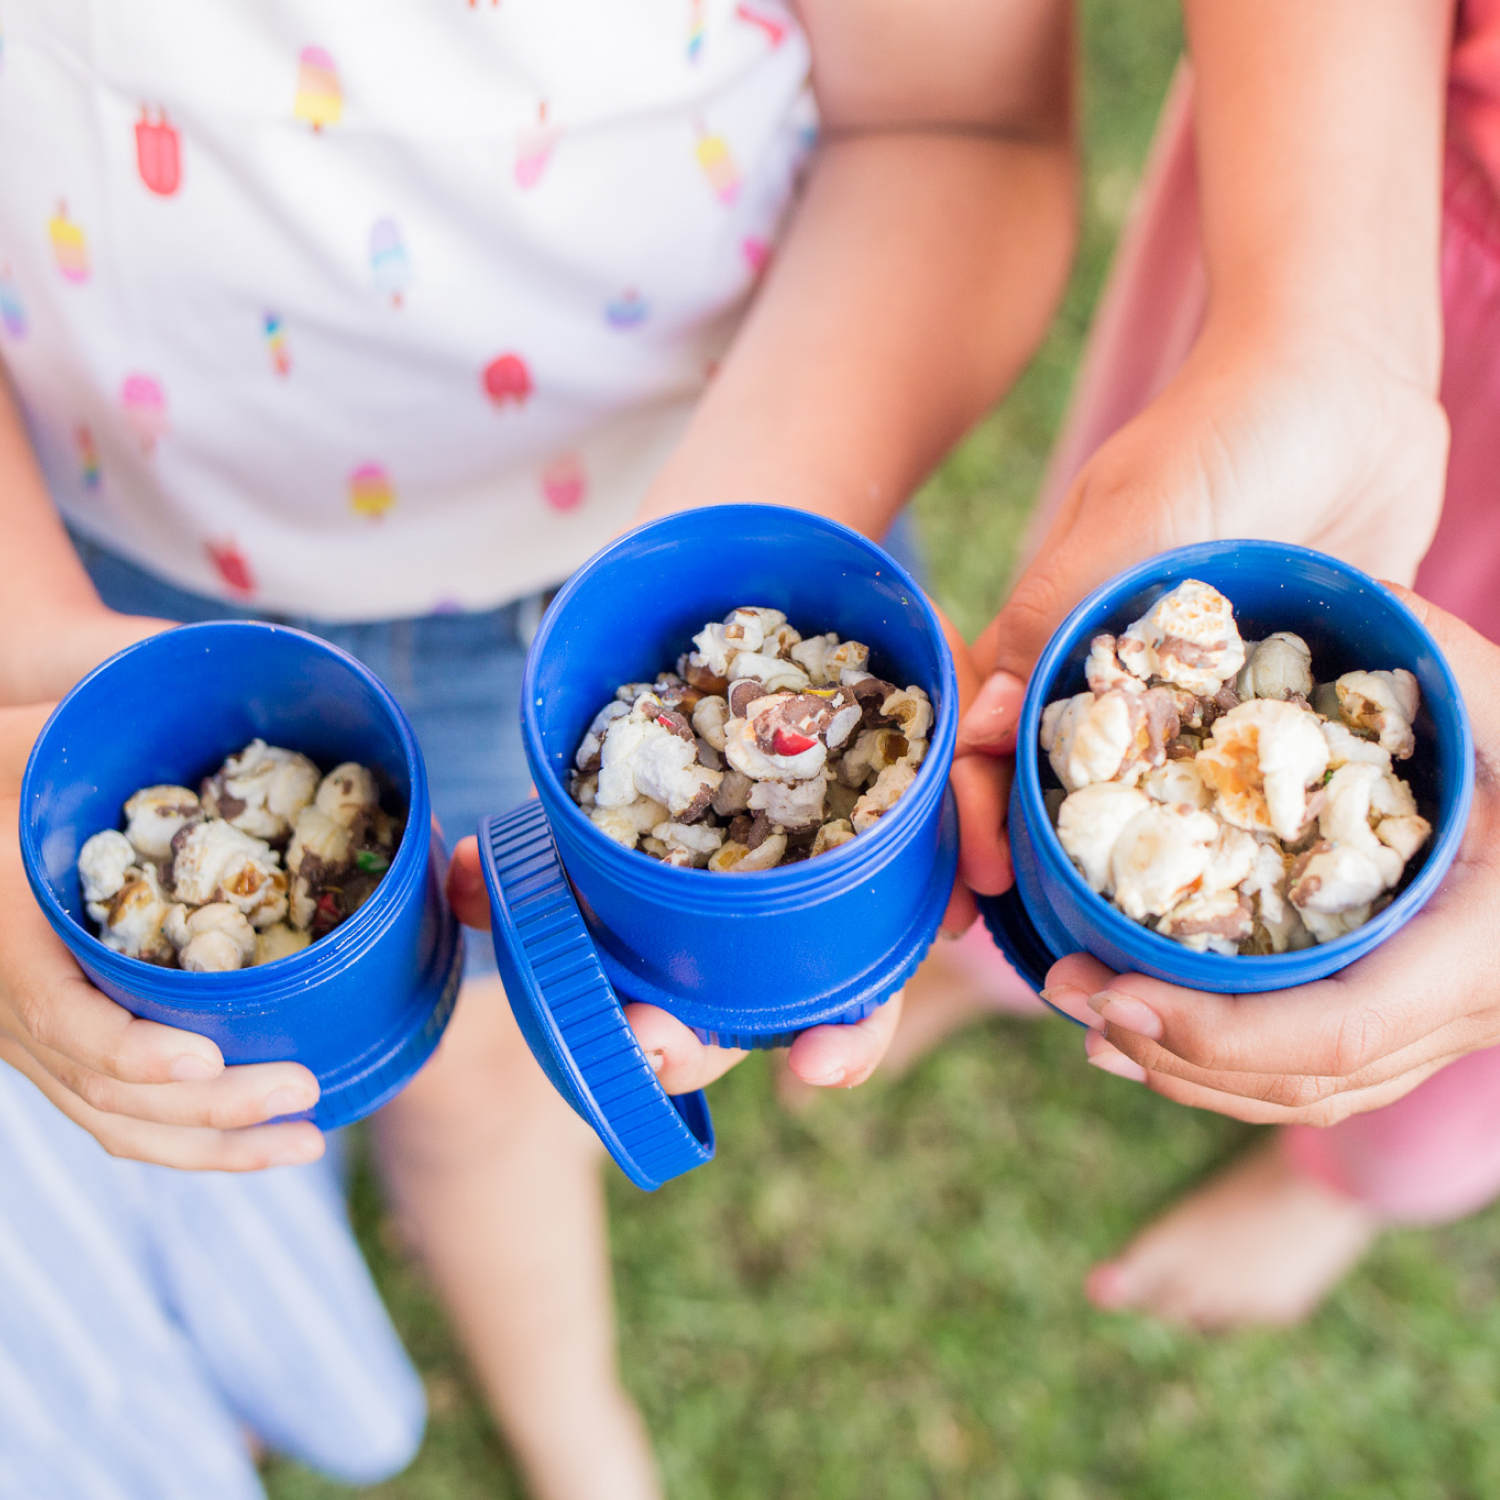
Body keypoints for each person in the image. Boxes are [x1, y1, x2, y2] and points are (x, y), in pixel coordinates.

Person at [0, 1, 1075, 1492]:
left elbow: (958, 117)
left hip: (707, 538)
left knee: (505, 1081)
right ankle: (504, 1372)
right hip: (123, 579)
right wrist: (18, 649)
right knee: (330, 1062)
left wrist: (698, 602)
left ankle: (571, 1411)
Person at [954, 0, 1500, 1328]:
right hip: (1357, 188)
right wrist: (1335, 345)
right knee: (1078, 668)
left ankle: (1356, 1176)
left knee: (1430, 1027)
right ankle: (991, 957)